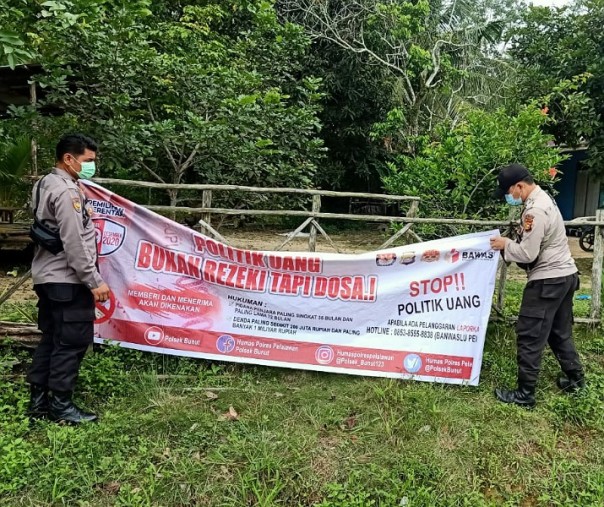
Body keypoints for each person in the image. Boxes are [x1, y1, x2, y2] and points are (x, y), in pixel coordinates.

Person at [27, 134, 111, 424]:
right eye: (87, 161)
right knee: (72, 342)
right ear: (69, 159)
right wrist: (93, 280)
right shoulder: (67, 191)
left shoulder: (44, 183)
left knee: (51, 339)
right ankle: (61, 407)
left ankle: (38, 402)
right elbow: (74, 241)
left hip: (47, 276)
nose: (91, 167)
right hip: (68, 278)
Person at [490, 163, 584, 408]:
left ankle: (525, 394)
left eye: (509, 193)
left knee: (530, 334)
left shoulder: (535, 211)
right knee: (558, 331)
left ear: (519, 186)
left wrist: (505, 245)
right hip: (565, 275)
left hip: (548, 281)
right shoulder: (544, 199)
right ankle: (576, 379)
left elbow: (527, 254)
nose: (509, 198)